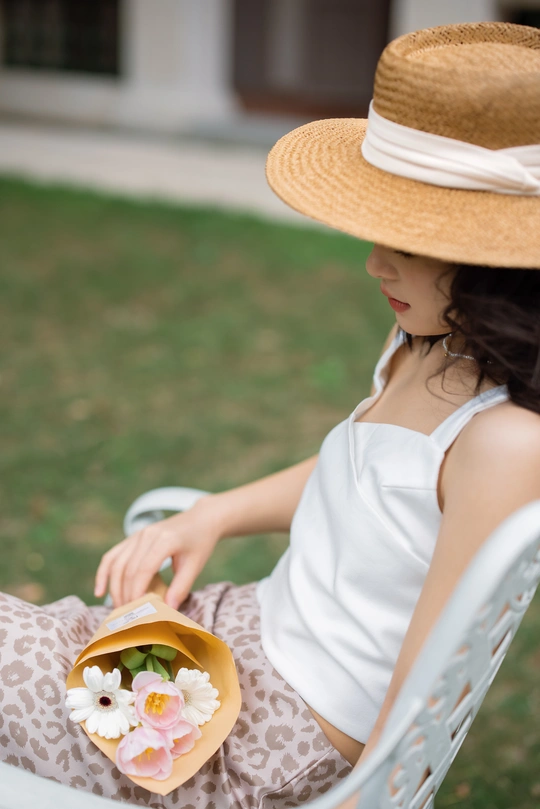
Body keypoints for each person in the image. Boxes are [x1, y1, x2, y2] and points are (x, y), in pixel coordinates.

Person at [1, 20, 540, 809]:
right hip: (233, 637)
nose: (374, 262)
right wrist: (213, 514)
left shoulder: (506, 442)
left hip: (265, 740)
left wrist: (370, 795)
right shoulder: (429, 339)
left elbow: (436, 671)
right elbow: (365, 476)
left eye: (413, 243)